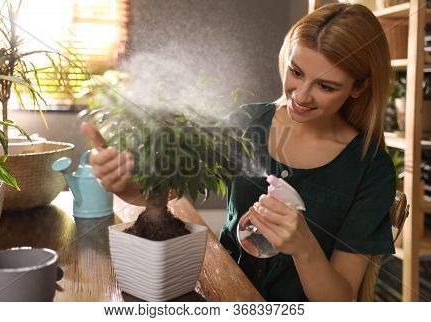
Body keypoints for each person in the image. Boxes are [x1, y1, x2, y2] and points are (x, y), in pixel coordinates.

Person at [81, 3, 396, 301]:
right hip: (223, 293)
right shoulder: (247, 123)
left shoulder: (371, 169)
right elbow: (170, 190)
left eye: (326, 86)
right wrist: (122, 184)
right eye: (296, 72)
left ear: (359, 87)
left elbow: (341, 303)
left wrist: (304, 248)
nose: (301, 95)